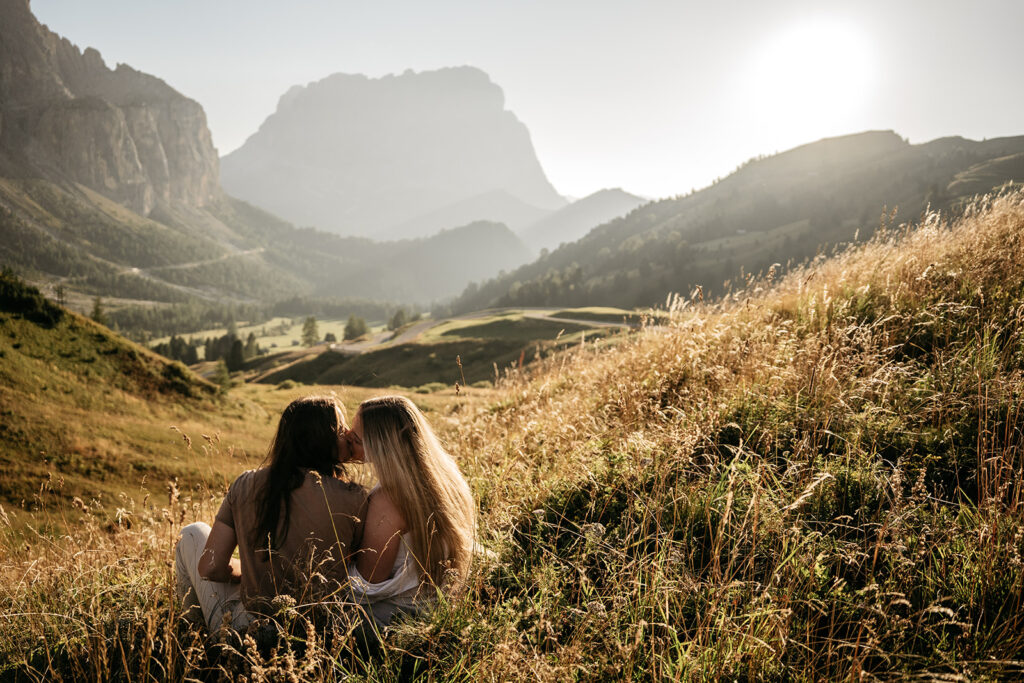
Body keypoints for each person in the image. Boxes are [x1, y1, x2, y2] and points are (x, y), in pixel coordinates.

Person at [175, 395, 368, 633]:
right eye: (340, 429)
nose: (349, 433)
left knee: (192, 533)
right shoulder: (354, 497)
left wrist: (250, 572)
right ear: (321, 439)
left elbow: (210, 568)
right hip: (320, 632)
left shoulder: (245, 484)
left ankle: (191, 637)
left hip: (247, 631)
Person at [341, 395, 475, 627]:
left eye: (354, 438)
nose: (346, 441)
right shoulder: (445, 478)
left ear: (380, 446)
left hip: (403, 616)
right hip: (439, 601)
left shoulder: (388, 500)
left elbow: (367, 586)